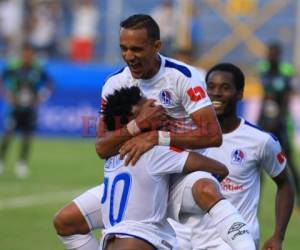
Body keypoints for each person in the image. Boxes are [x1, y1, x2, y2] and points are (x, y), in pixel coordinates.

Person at [53, 14, 256, 250]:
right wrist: (137, 126)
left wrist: (158, 137)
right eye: (124, 49)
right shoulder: (115, 83)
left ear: (156, 46)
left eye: (137, 49)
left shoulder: (183, 77)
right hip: (142, 179)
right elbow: (102, 147)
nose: (129, 56)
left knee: (205, 188)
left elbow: (213, 135)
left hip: (180, 175)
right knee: (66, 222)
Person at [180, 63, 294, 250]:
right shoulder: (186, 135)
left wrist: (278, 236)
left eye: (225, 88)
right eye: (211, 86)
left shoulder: (260, 140)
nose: (216, 93)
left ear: (240, 94)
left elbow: (285, 184)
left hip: (236, 242)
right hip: (190, 241)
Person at [99, 86, 229, 250]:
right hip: (139, 240)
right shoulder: (154, 151)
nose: (157, 107)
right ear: (135, 118)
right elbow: (220, 169)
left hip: (109, 242)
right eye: (149, 106)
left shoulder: (113, 156)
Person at [257, 42, 300, 207]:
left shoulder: (286, 70)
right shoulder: (263, 68)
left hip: (281, 121)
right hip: (265, 119)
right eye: (269, 53)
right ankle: (256, 199)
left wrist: (279, 117)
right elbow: (264, 95)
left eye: (274, 53)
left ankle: (298, 198)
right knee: (257, 161)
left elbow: (287, 98)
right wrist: (261, 119)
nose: (270, 56)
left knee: (289, 162)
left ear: (279, 55)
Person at [0, 43, 52, 178]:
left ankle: (22, 164)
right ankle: (1, 161)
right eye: (25, 53)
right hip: (15, 107)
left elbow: (50, 83)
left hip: (30, 108)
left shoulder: (37, 68)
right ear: (22, 53)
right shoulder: (13, 67)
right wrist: (7, 95)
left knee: (27, 136)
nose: (27, 56)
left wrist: (41, 97)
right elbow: (2, 80)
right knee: (8, 134)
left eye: (30, 54)